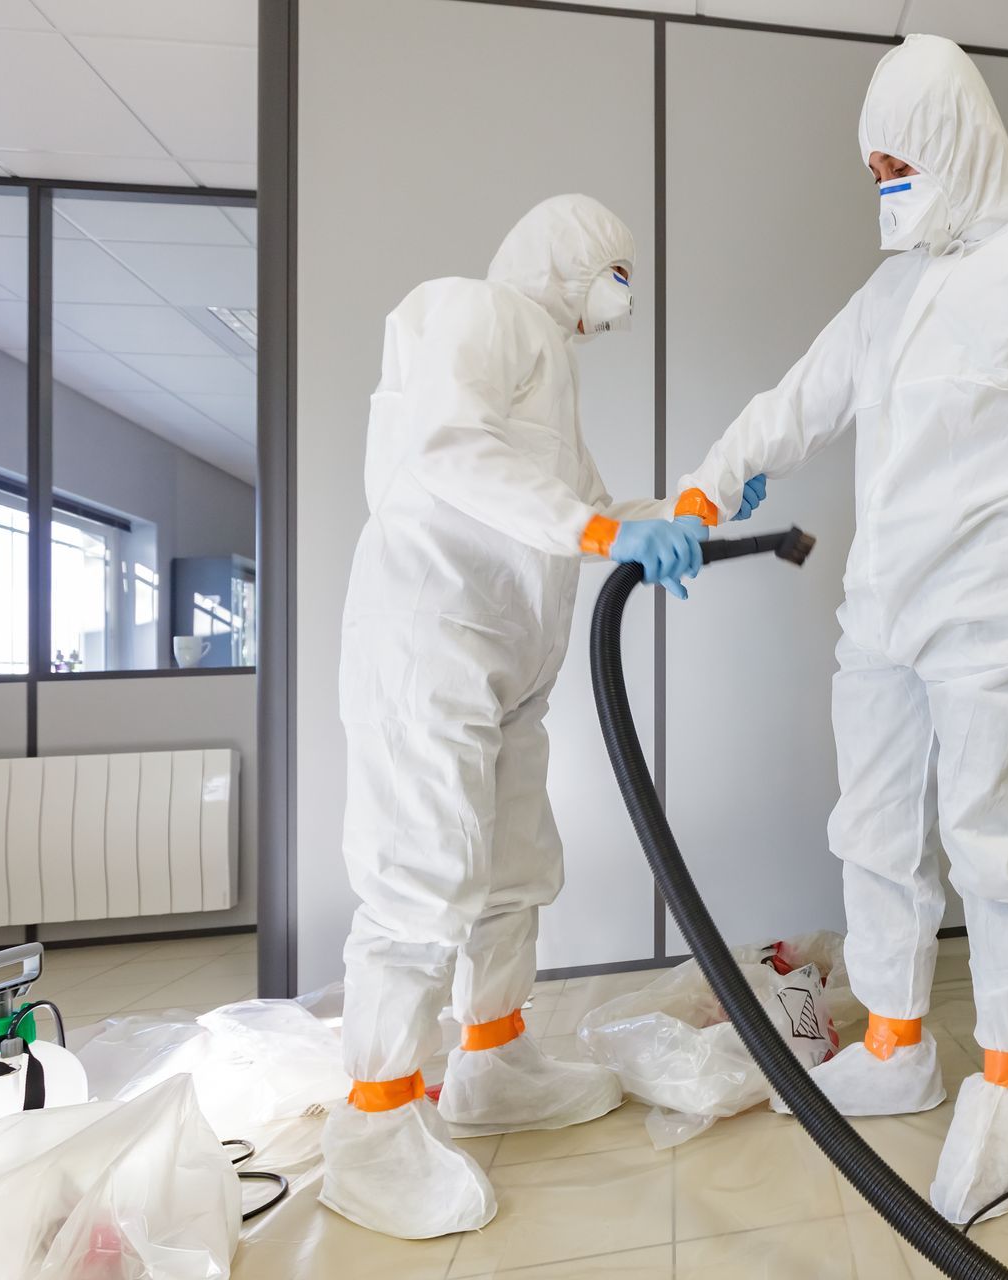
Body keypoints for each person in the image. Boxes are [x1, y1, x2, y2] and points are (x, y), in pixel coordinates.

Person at [675, 35, 1008, 1223]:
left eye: (902, 157)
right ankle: (897, 1040)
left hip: (999, 615)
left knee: (997, 846)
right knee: (874, 834)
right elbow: (796, 397)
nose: (888, 181)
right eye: (876, 165)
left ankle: (1006, 1085)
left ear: (954, 140)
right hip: (883, 616)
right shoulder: (891, 291)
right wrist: (710, 482)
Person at [321, 194, 718, 1239]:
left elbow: (581, 506)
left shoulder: (549, 361)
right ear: (574, 257)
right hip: (434, 637)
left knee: (510, 864)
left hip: (508, 662)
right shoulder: (477, 310)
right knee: (422, 878)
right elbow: (447, 449)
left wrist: (682, 511)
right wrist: (595, 523)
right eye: (618, 272)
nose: (621, 296)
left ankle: (492, 1057)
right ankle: (372, 1128)